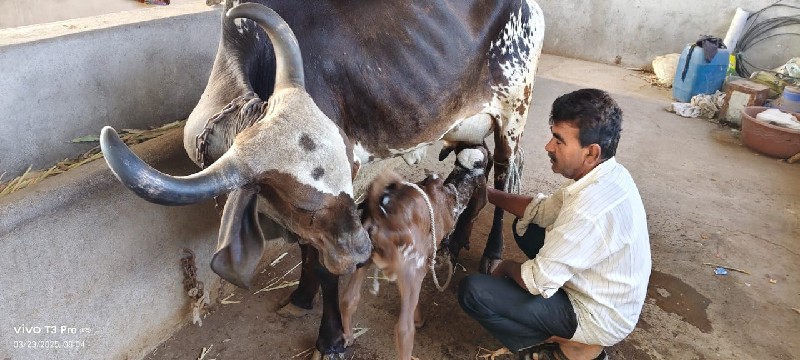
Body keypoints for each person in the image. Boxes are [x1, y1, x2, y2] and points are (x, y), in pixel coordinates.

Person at [458, 88, 651, 360]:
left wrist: (504, 267)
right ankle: (565, 331)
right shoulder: (606, 174)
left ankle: (569, 347)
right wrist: (486, 193)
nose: (548, 146)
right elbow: (541, 210)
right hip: (604, 290)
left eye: (559, 141)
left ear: (591, 153)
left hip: (599, 316)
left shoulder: (588, 210)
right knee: (525, 225)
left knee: (473, 292)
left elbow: (535, 281)